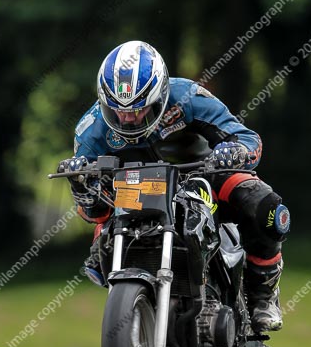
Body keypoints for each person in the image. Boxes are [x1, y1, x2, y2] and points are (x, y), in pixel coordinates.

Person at [57, 41, 290, 331]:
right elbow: (95, 210)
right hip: (134, 192)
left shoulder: (189, 96)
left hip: (205, 175)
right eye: (118, 111)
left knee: (266, 207)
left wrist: (235, 152)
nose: (128, 118)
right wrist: (83, 188)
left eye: (139, 109)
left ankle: (263, 293)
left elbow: (247, 139)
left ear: (161, 95)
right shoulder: (91, 129)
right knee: (98, 251)